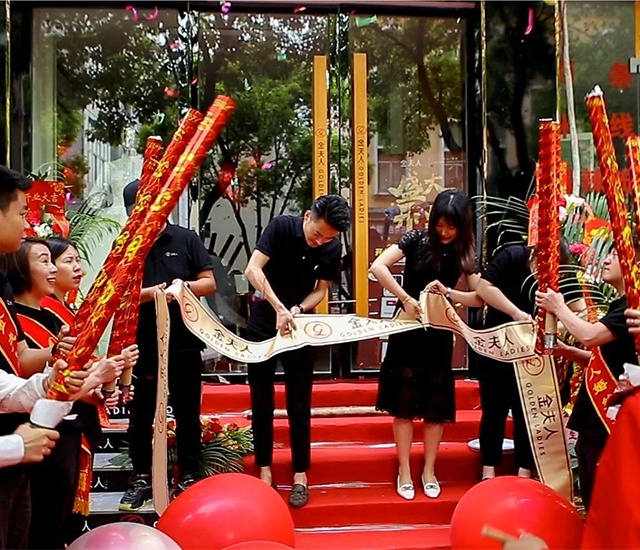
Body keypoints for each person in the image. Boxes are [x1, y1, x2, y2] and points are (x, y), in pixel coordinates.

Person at [0, 165, 122, 549]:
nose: (26, 224)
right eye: (21, 213)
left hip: (28, 441)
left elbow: (10, 374)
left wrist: (56, 382)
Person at [370, 190, 481, 500]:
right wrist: (405, 298)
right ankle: (404, 470)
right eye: (439, 225)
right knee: (403, 404)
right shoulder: (416, 239)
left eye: (451, 226)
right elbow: (378, 267)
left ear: (462, 226)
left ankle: (429, 470)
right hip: (407, 329)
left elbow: (479, 297)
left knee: (435, 407)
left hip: (438, 333)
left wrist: (449, 293)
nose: (444, 232)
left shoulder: (464, 253)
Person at [243, 195, 350, 508]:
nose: (320, 242)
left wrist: (298, 308)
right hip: (263, 323)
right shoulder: (280, 228)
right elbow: (252, 269)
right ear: (307, 216)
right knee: (261, 400)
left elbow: (321, 290)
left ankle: (301, 473)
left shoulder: (331, 246)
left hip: (299, 326)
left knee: (300, 403)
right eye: (316, 234)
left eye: (327, 238)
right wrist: (279, 307)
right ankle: (264, 468)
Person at [119, 179, 216, 511]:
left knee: (188, 411)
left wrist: (181, 288)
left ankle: (188, 474)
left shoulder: (186, 239)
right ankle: (141, 477)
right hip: (143, 344)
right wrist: (153, 294)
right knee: (141, 413)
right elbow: (118, 294)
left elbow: (208, 283)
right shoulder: (126, 245)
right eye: (137, 211)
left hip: (184, 342)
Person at [535, 247, 637, 509]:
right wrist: (567, 352)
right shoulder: (621, 305)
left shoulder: (631, 306)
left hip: (608, 419)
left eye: (615, 255)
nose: (606, 259)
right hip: (594, 416)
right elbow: (605, 360)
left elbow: (590, 336)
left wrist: (559, 307)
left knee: (604, 497)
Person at [475, 240, 582, 481]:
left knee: (527, 410)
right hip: (498, 348)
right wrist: (516, 314)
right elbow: (483, 287)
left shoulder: (564, 273)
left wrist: (550, 329)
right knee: (493, 409)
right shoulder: (513, 256)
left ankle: (524, 470)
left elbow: (580, 309)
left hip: (533, 355)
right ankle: (488, 470)